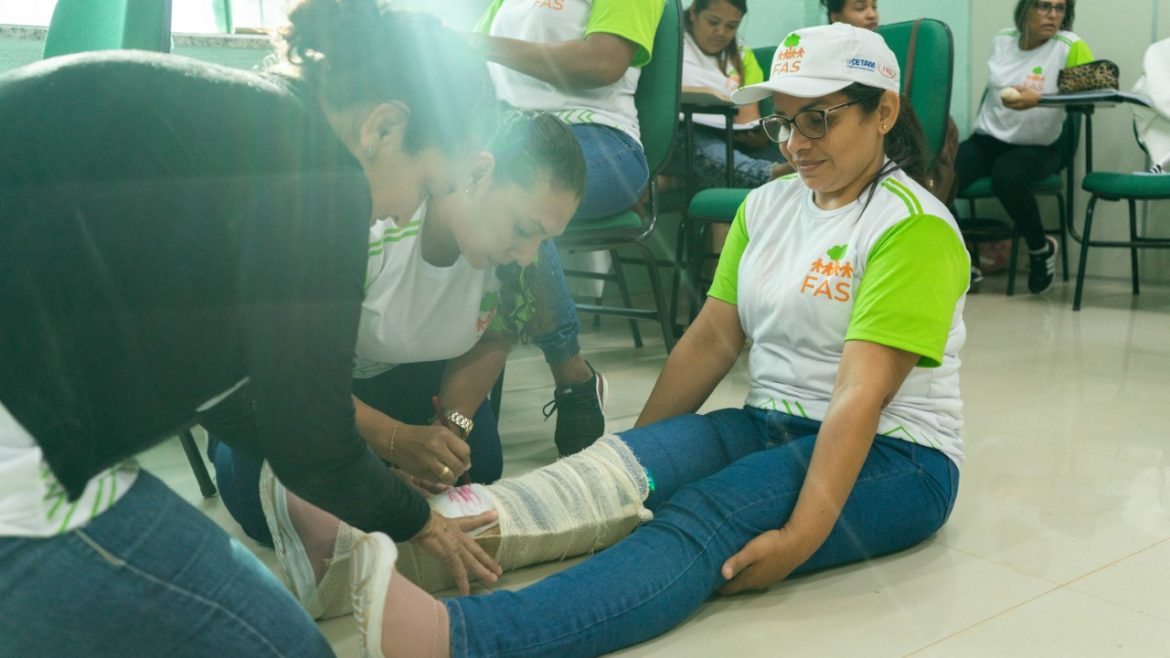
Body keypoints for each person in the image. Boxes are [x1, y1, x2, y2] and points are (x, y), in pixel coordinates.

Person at [346, 24, 970, 658]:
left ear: (883, 111)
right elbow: (709, 343)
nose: (797, 144)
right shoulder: (768, 205)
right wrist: (630, 465)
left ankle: (462, 639)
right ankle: (347, 566)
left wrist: (799, 540)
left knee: (702, 515)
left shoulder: (911, 227)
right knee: (605, 474)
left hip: (896, 455)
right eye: (783, 123)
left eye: (817, 121)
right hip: (767, 421)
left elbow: (858, 398)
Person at [0, 2, 507, 654]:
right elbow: (311, 440)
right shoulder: (321, 172)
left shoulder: (245, 123)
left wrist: (371, 486)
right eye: (428, 183)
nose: (410, 210)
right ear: (385, 127)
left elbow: (237, 393)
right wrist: (416, 523)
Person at [208, 111, 588, 553]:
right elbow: (287, 373)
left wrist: (453, 424)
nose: (527, 255)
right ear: (479, 173)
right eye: (524, 229)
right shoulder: (379, 212)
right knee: (269, 509)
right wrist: (393, 438)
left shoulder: (523, 256)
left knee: (475, 469)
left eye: (544, 239)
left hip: (405, 373)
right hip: (301, 386)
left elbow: (495, 334)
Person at [467, 1, 665, 437]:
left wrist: (475, 43)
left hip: (597, 138)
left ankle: (572, 376)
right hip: (515, 138)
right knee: (466, 197)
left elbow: (601, 62)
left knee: (529, 210)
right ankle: (453, 385)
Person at [955, 0, 1092, 293]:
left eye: (1060, 8)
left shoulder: (1070, 45)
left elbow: (1091, 97)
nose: (1053, 15)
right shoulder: (1002, 41)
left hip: (1039, 146)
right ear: (1025, 9)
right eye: (1044, 6)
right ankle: (961, 258)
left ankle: (1040, 249)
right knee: (938, 176)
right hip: (988, 139)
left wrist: (1040, 100)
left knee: (1008, 176)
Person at [822, 0, 960, 208]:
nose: (871, 15)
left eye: (874, 7)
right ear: (835, 17)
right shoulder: (825, 58)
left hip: (893, 155)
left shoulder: (885, 53)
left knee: (947, 125)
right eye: (860, 8)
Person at [675, 0, 788, 190]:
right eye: (713, 22)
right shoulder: (672, 43)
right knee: (699, 141)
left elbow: (748, 117)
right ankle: (765, 174)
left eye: (731, 26)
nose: (721, 32)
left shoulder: (743, 56)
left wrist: (755, 134)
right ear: (694, 13)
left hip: (730, 136)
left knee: (781, 164)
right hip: (681, 133)